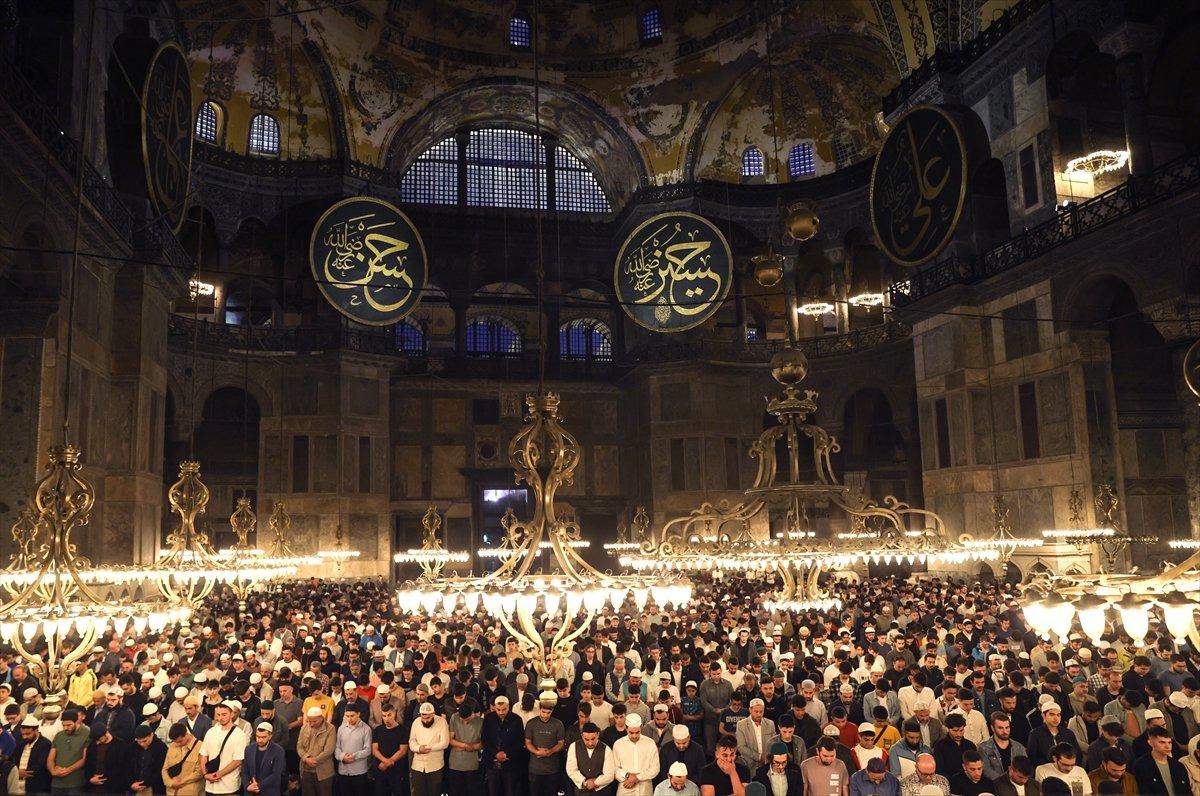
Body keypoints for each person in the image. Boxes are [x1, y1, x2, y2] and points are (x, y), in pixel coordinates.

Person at [199, 703, 245, 796]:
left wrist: (218, 774)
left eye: (224, 714)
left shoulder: (239, 734)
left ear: (232, 714)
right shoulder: (211, 732)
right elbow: (203, 754)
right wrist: (205, 774)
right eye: (218, 715)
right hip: (210, 786)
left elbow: (237, 761)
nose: (220, 718)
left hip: (229, 786)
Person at [482, 696, 524, 796]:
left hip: (510, 763)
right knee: (493, 791)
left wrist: (506, 754)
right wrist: (496, 753)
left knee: (510, 791)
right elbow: (485, 739)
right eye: (498, 709)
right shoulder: (488, 718)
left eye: (504, 709)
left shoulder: (516, 719)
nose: (501, 712)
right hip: (492, 762)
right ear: (494, 707)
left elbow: (519, 741)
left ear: (508, 707)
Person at [526, 693, 566, 796]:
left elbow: (561, 743)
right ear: (539, 709)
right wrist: (537, 752)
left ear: (552, 711)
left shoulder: (558, 724)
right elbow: (527, 742)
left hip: (552, 769)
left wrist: (550, 751)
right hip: (535, 769)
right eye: (543, 712)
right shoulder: (531, 723)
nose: (545, 715)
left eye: (548, 713)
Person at [1131, 726, 1190, 796]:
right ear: (1150, 743)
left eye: (1169, 742)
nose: (1167, 746)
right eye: (1162, 742)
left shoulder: (1178, 766)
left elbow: (1187, 791)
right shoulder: (1141, 765)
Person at [407, 702, 448, 796]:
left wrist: (428, 748)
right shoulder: (416, 722)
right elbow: (412, 741)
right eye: (423, 718)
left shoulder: (442, 722)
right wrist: (418, 748)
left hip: (435, 766)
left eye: (428, 718)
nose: (425, 721)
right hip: (417, 765)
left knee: (435, 792)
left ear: (433, 714)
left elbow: (445, 743)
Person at [613, 714, 659, 796]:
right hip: (625, 787)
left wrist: (637, 778)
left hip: (645, 789)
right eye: (631, 732)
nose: (634, 736)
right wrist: (627, 775)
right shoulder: (618, 744)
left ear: (641, 728)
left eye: (637, 732)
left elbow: (655, 768)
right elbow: (614, 768)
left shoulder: (650, 743)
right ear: (626, 728)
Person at [567, 722, 616, 796]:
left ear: (598, 735)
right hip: (581, 793)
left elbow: (609, 775)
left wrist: (595, 782)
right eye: (586, 739)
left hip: (602, 793)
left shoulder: (607, 749)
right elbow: (571, 769)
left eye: (593, 739)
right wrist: (584, 782)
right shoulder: (573, 747)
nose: (590, 743)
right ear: (582, 736)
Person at [84, 720, 133, 792]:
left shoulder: (121, 746)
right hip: (94, 787)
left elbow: (124, 768)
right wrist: (90, 779)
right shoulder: (92, 745)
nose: (97, 742)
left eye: (99, 739)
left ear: (106, 733)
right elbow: (88, 765)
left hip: (114, 788)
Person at [296, 706, 335, 796]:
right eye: (309, 721)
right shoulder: (304, 728)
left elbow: (329, 750)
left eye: (314, 721)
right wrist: (306, 758)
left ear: (321, 718)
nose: (311, 724)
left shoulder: (330, 729)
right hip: (306, 770)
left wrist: (314, 760)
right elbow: (299, 746)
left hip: (323, 772)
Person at [371, 703, 409, 796]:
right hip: (380, 769)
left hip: (397, 770)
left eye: (389, 715)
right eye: (384, 716)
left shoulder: (403, 730)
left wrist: (390, 761)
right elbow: (374, 749)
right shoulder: (378, 730)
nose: (386, 718)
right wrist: (385, 761)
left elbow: (403, 750)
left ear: (394, 713)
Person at [447, 698, 483, 796]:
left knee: (472, 791)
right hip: (455, 763)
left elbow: (483, 743)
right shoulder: (454, 717)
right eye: (463, 720)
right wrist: (466, 746)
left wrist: (471, 747)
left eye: (467, 720)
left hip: (472, 764)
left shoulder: (481, 722)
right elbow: (450, 740)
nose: (465, 722)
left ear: (472, 713)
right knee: (456, 791)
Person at [335, 703, 372, 796]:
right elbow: (336, 747)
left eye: (352, 716)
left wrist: (353, 756)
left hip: (359, 771)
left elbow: (368, 750)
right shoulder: (341, 728)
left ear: (358, 714)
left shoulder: (366, 729)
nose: (349, 719)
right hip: (343, 771)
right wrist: (342, 757)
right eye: (347, 716)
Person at [11, 713, 51, 795]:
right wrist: (17, 772)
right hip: (19, 785)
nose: (25, 737)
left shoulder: (45, 744)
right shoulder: (22, 743)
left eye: (28, 734)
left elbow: (41, 765)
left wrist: (23, 773)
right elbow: (14, 759)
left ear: (36, 730)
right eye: (23, 734)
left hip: (37, 786)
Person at [980, 712, 1027, 782]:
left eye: (1007, 727)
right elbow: (986, 770)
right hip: (995, 785)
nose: (1005, 731)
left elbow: (1025, 767)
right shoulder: (983, 748)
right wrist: (1004, 782)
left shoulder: (1019, 747)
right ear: (992, 728)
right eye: (1000, 728)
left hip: (1017, 784)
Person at [162, 722, 204, 796]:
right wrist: (170, 783)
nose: (178, 744)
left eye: (180, 741)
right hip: (171, 792)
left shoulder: (200, 746)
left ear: (186, 734)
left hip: (190, 792)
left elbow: (200, 772)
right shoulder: (172, 746)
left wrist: (181, 782)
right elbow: (165, 768)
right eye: (175, 742)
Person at [735, 699, 775, 775]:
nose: (759, 714)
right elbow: (741, 747)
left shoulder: (770, 724)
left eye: (761, 711)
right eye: (756, 712)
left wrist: (766, 758)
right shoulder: (741, 725)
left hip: (767, 765)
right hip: (748, 765)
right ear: (750, 710)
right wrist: (759, 757)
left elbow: (773, 743)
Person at [130, 722, 168, 795]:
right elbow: (128, 767)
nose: (142, 744)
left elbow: (160, 769)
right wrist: (131, 783)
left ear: (151, 735)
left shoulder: (161, 748)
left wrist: (145, 783)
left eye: (145, 741)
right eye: (139, 741)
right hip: (135, 786)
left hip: (154, 787)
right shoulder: (133, 747)